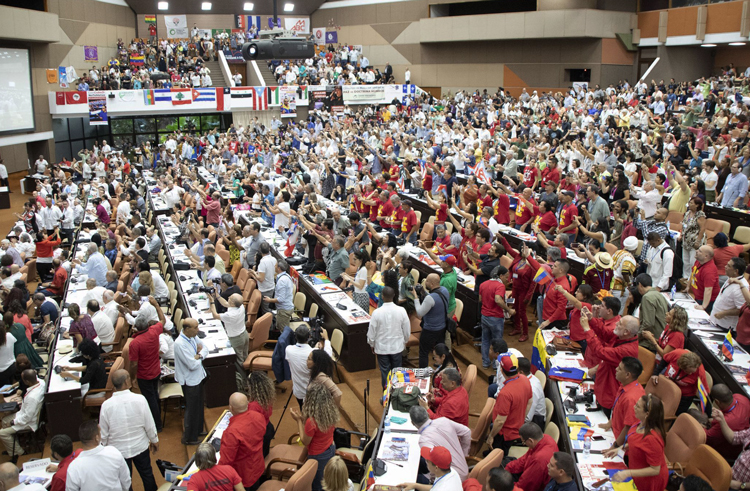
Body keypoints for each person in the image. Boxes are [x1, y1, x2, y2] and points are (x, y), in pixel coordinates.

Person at [99, 370, 159, 491]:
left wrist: (103, 450)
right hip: (140, 447)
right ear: (127, 381)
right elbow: (149, 423)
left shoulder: (106, 405)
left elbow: (103, 433)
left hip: (118, 451)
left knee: (124, 481)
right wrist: (154, 440)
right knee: (147, 475)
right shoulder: (140, 399)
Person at [580, 308, 639, 418]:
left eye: (620, 323)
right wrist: (591, 319)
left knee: (603, 417)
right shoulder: (622, 336)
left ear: (626, 332)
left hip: (611, 389)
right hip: (603, 382)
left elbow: (600, 352)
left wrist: (587, 329)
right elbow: (605, 332)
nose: (616, 323)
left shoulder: (627, 350)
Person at [603, 394, 669, 491]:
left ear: (647, 414)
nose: (634, 407)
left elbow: (655, 469)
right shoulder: (640, 422)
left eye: (637, 406)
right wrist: (621, 448)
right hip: (636, 470)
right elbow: (638, 443)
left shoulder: (652, 438)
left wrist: (628, 473)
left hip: (649, 480)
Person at [290, 383, 339, 491]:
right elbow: (318, 430)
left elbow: (305, 441)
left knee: (318, 485)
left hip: (318, 456)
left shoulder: (311, 421)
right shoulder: (330, 412)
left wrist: (298, 421)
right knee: (326, 479)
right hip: (330, 448)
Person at [65, 420, 131, 491]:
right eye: (100, 432)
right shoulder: (114, 452)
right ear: (97, 438)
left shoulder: (74, 466)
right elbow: (126, 481)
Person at [218, 392, 266, 490]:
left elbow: (226, 462)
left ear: (231, 408)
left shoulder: (232, 432)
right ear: (247, 404)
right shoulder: (258, 416)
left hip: (243, 477)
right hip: (258, 466)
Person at [409, 406, 471, 480]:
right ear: (428, 414)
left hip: (451, 479)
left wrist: (431, 479)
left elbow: (433, 463)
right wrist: (464, 454)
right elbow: (467, 431)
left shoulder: (424, 440)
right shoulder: (444, 421)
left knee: (414, 478)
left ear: (412, 423)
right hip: (463, 469)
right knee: (420, 462)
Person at [129, 307, 165, 433]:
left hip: (144, 375)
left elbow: (133, 364)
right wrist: (156, 305)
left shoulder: (135, 343)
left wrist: (132, 377)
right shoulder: (154, 331)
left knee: (150, 399)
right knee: (154, 395)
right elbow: (162, 320)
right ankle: (158, 421)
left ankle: (157, 425)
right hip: (156, 370)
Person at [367, 286, 410, 389]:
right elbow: (407, 329)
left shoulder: (377, 312)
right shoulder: (401, 310)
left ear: (382, 296)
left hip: (382, 348)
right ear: (394, 296)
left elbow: (371, 331)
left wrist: (371, 344)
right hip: (397, 347)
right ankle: (396, 394)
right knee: (396, 371)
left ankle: (386, 396)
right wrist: (404, 341)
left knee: (385, 372)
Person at [488, 355, 532, 453]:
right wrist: (520, 419)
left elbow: (500, 421)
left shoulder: (505, 393)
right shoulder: (525, 379)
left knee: (497, 457)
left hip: (504, 435)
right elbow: (530, 402)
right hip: (517, 429)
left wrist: (491, 436)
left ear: (502, 371)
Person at [174, 318, 207, 445]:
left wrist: (199, 354)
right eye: (195, 328)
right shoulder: (180, 344)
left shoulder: (192, 337)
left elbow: (206, 348)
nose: (198, 330)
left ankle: (198, 430)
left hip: (198, 377)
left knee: (198, 406)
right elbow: (192, 365)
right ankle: (189, 437)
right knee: (191, 409)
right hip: (190, 380)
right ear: (187, 329)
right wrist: (199, 355)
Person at [601, 357, 645, 448]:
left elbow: (629, 427)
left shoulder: (631, 399)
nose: (616, 369)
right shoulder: (626, 385)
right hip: (614, 433)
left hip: (621, 445)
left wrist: (615, 446)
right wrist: (610, 422)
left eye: (620, 368)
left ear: (627, 375)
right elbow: (618, 410)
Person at [0, 369, 44, 460]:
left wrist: (14, 422)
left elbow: (27, 417)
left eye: (22, 380)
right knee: (4, 420)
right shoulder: (41, 382)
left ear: (27, 381)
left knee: (2, 433)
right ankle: (13, 447)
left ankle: (20, 453)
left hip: (29, 423)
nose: (21, 382)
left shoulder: (32, 398)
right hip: (25, 414)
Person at [698, 384, 750, 461]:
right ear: (731, 393)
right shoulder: (742, 398)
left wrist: (698, 425)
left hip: (724, 453)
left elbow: (705, 437)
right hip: (740, 446)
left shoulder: (724, 422)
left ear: (716, 402)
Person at [286, 325, 333, 407]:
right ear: (309, 336)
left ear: (295, 337)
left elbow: (301, 353)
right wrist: (326, 339)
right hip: (313, 392)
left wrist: (314, 349)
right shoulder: (314, 353)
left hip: (299, 392)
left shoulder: (288, 349)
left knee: (303, 411)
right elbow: (327, 356)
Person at [505, 422, 560, 491]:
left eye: (524, 442)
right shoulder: (545, 437)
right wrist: (508, 468)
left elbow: (526, 485)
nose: (524, 444)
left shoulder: (539, 459)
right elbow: (525, 458)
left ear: (531, 440)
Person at [478, 265, 514, 368]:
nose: (507, 279)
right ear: (501, 276)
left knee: (485, 340)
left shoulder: (483, 284)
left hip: (484, 316)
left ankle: (485, 363)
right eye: (506, 276)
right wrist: (509, 310)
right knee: (497, 342)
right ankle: (495, 365)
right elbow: (498, 299)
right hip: (496, 318)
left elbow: (480, 299)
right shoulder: (500, 286)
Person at [413, 273, 450, 368]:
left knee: (423, 352)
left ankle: (423, 373)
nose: (425, 282)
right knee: (441, 351)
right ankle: (443, 368)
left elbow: (420, 313)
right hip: (442, 327)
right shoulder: (444, 290)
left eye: (427, 281)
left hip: (430, 330)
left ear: (432, 284)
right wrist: (423, 291)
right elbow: (434, 299)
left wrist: (415, 297)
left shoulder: (430, 298)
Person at [654, 349, 707, 415]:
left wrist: (707, 414)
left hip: (684, 397)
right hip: (667, 388)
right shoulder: (677, 354)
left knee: (671, 415)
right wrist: (655, 374)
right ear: (682, 367)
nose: (690, 374)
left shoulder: (700, 373)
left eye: (692, 372)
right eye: (688, 371)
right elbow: (665, 360)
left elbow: (705, 394)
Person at [209, 292, 248, 381]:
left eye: (230, 298)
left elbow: (215, 315)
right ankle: (248, 376)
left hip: (236, 339)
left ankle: (244, 382)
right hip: (244, 335)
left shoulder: (230, 315)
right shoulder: (240, 306)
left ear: (233, 303)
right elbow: (226, 304)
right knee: (245, 357)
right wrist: (217, 296)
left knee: (239, 361)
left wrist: (212, 302)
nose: (229, 297)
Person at [398, 446, 462, 491]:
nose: (426, 463)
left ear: (436, 468)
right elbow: (434, 487)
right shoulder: (452, 472)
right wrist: (415, 485)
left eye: (427, 461)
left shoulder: (442, 488)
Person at [711, 257, 750, 330]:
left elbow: (741, 310)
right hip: (716, 322)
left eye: (728, 266)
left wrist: (724, 313)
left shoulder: (741, 287)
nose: (725, 267)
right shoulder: (731, 278)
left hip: (726, 327)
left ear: (736, 271)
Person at [635, 274, 669, 350]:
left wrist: (637, 337)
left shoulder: (647, 297)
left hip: (650, 340)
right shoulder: (659, 295)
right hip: (661, 336)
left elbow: (648, 323)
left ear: (640, 285)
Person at [262, 259, 295, 331]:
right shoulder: (286, 276)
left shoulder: (282, 281)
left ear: (279, 268)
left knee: (283, 332)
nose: (274, 266)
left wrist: (269, 300)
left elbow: (281, 299)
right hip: (284, 308)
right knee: (279, 328)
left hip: (284, 310)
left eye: (276, 265)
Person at [691, 245, 720, 313]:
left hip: (706, 300)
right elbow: (693, 273)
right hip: (698, 295)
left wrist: (703, 306)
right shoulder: (699, 261)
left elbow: (708, 290)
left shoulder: (709, 271)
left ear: (706, 256)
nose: (696, 251)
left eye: (700, 251)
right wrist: (688, 287)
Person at [518, 357, 546, 429]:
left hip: (534, 423)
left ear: (521, 372)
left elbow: (527, 418)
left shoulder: (532, 389)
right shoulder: (529, 377)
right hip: (526, 414)